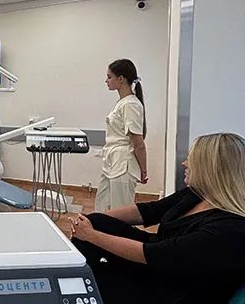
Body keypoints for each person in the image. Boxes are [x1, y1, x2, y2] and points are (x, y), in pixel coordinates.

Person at [70, 132, 245, 304]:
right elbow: (149, 211)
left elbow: (157, 254)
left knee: (98, 276)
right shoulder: (197, 195)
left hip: (173, 289)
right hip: (159, 262)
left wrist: (90, 235)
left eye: (191, 160)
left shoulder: (228, 229)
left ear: (211, 170)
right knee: (98, 223)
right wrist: (89, 220)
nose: (184, 163)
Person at [95, 59, 148, 212]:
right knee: (102, 206)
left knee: (121, 211)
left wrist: (143, 170)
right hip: (113, 162)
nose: (106, 81)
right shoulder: (122, 103)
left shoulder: (130, 104)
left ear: (121, 79)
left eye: (109, 77)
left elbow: (138, 143)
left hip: (123, 164)